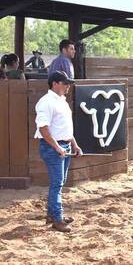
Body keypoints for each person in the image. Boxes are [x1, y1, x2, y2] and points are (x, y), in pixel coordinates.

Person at [34, 71, 82, 233]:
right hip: (53, 147)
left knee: (59, 182)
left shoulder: (61, 101)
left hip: (63, 146)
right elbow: (43, 127)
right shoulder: (46, 102)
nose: (68, 86)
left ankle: (52, 214)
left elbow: (65, 127)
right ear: (55, 83)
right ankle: (57, 218)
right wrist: (57, 147)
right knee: (57, 184)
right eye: (65, 83)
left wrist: (74, 144)